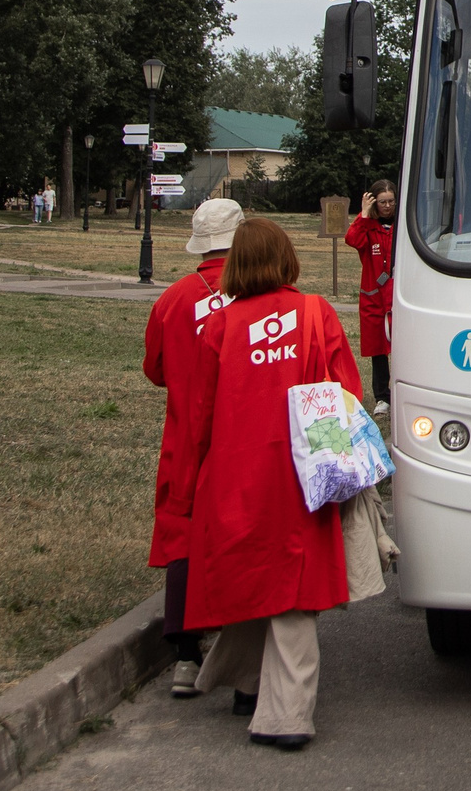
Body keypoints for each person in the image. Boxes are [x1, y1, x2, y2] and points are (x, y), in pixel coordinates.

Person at [182, 218, 365, 749]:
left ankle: (245, 684)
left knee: (248, 574)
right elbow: (345, 391)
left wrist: (194, 482)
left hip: (235, 475)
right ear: (288, 258)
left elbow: (202, 412)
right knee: (293, 590)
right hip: (300, 472)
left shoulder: (220, 325)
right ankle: (286, 715)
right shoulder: (316, 312)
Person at [142, 198, 242, 697]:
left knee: (184, 536)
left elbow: (155, 370)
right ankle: (240, 644)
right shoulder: (259, 296)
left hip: (185, 437)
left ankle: (185, 656)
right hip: (241, 439)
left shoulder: (172, 300)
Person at [346, 182, 398, 411]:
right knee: (378, 350)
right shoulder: (368, 227)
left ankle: (401, 391)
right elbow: (352, 239)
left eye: (391, 201)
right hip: (373, 298)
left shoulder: (403, 226)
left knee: (402, 348)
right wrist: (364, 215)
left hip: (396, 297)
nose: (387, 206)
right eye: (382, 202)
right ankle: (382, 397)